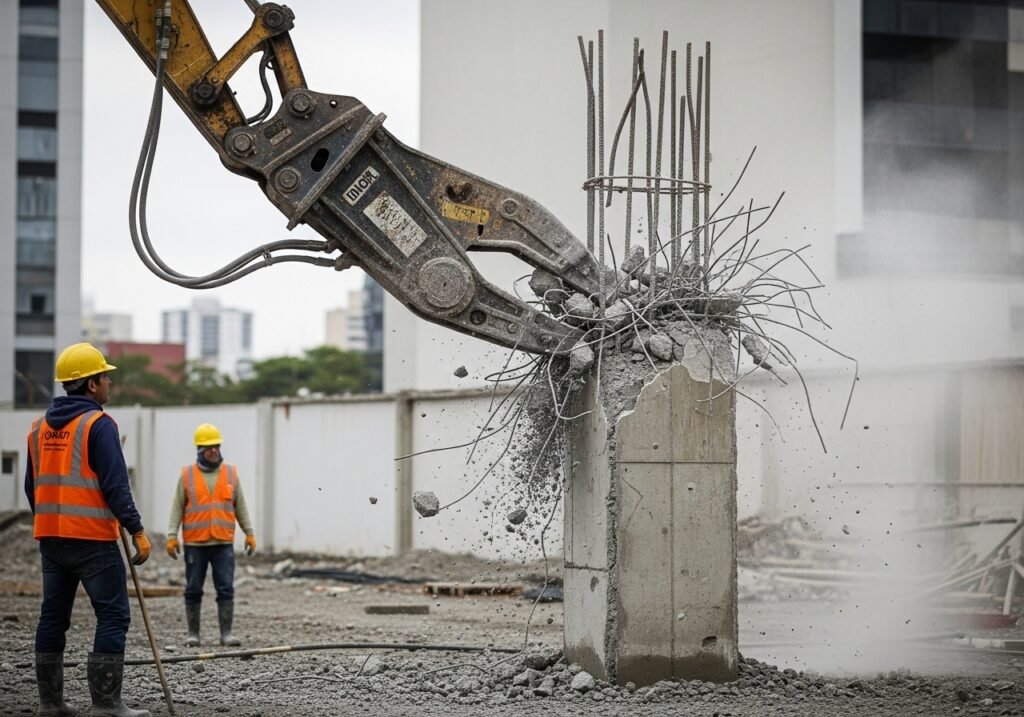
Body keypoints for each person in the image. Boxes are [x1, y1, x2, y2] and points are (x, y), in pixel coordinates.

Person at [25, 342, 152, 717]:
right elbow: (116, 485)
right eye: (105, 376)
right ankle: (107, 705)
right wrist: (136, 529)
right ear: (91, 384)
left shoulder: (37, 429)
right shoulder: (98, 424)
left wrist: (51, 525)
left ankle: (51, 703)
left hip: (50, 539)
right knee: (113, 615)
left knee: (53, 616)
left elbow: (33, 488)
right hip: (93, 539)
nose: (109, 382)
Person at [166, 423, 256, 647]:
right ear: (199, 450)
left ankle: (226, 634)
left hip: (223, 542)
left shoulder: (230, 473)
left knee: (225, 588)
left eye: (216, 446)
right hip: (195, 544)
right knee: (193, 588)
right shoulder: (187, 475)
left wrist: (249, 533)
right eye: (209, 448)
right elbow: (177, 506)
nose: (214, 450)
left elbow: (240, 506)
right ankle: (193, 634)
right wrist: (171, 535)